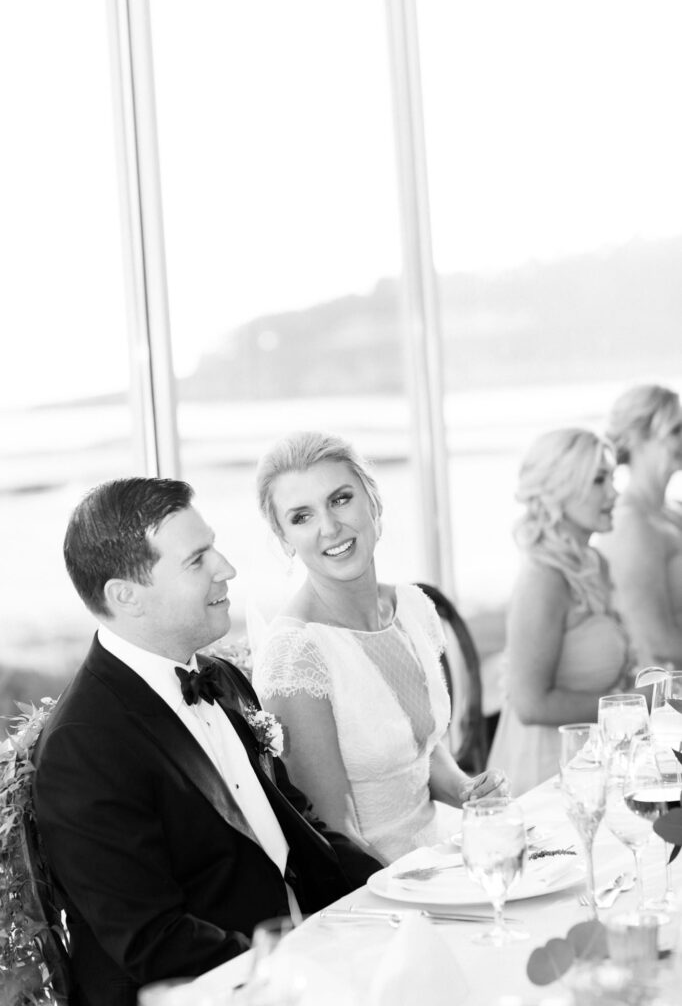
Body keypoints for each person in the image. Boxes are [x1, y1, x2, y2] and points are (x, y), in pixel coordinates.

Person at [32, 478, 380, 1006]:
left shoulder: (218, 677)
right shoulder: (84, 746)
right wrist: (304, 966)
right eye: (197, 560)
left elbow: (297, 824)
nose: (227, 568)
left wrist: (394, 894)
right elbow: (152, 940)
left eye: (213, 546)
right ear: (126, 596)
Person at [252, 430, 506, 865]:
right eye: (301, 517)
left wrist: (465, 791)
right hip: (376, 889)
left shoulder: (412, 608)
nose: (329, 528)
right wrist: (429, 889)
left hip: (444, 853)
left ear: (374, 501)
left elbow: (417, 750)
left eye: (340, 499)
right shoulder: (297, 654)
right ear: (284, 540)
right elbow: (334, 835)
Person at [487, 428, 633, 795]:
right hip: (547, 770)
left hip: (598, 757)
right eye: (598, 480)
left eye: (612, 478)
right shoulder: (544, 579)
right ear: (560, 490)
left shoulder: (595, 563)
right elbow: (530, 704)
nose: (614, 492)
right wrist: (629, 706)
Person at [598, 383, 682, 667]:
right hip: (662, 693)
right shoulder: (631, 526)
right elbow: (655, 642)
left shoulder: (669, 513)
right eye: (675, 431)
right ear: (637, 439)